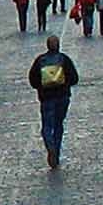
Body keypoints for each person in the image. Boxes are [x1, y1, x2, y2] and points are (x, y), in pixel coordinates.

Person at [27, 34, 80, 169]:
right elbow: (74, 78)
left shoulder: (40, 60)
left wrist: (42, 87)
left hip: (46, 99)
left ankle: (50, 146)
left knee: (46, 126)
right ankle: (56, 149)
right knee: (58, 125)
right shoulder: (64, 59)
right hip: (62, 97)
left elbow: (33, 80)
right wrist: (64, 84)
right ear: (58, 45)